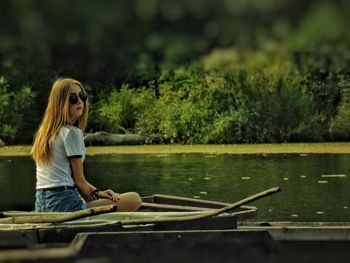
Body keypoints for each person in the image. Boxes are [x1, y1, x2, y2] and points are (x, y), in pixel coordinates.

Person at [31, 78, 142, 212]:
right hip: (64, 204)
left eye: (82, 96)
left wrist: (97, 192)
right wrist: (94, 204)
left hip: (42, 205)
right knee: (134, 199)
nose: (80, 101)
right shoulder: (72, 133)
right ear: (60, 103)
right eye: (73, 98)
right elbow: (79, 181)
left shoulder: (45, 133)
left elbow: (67, 177)